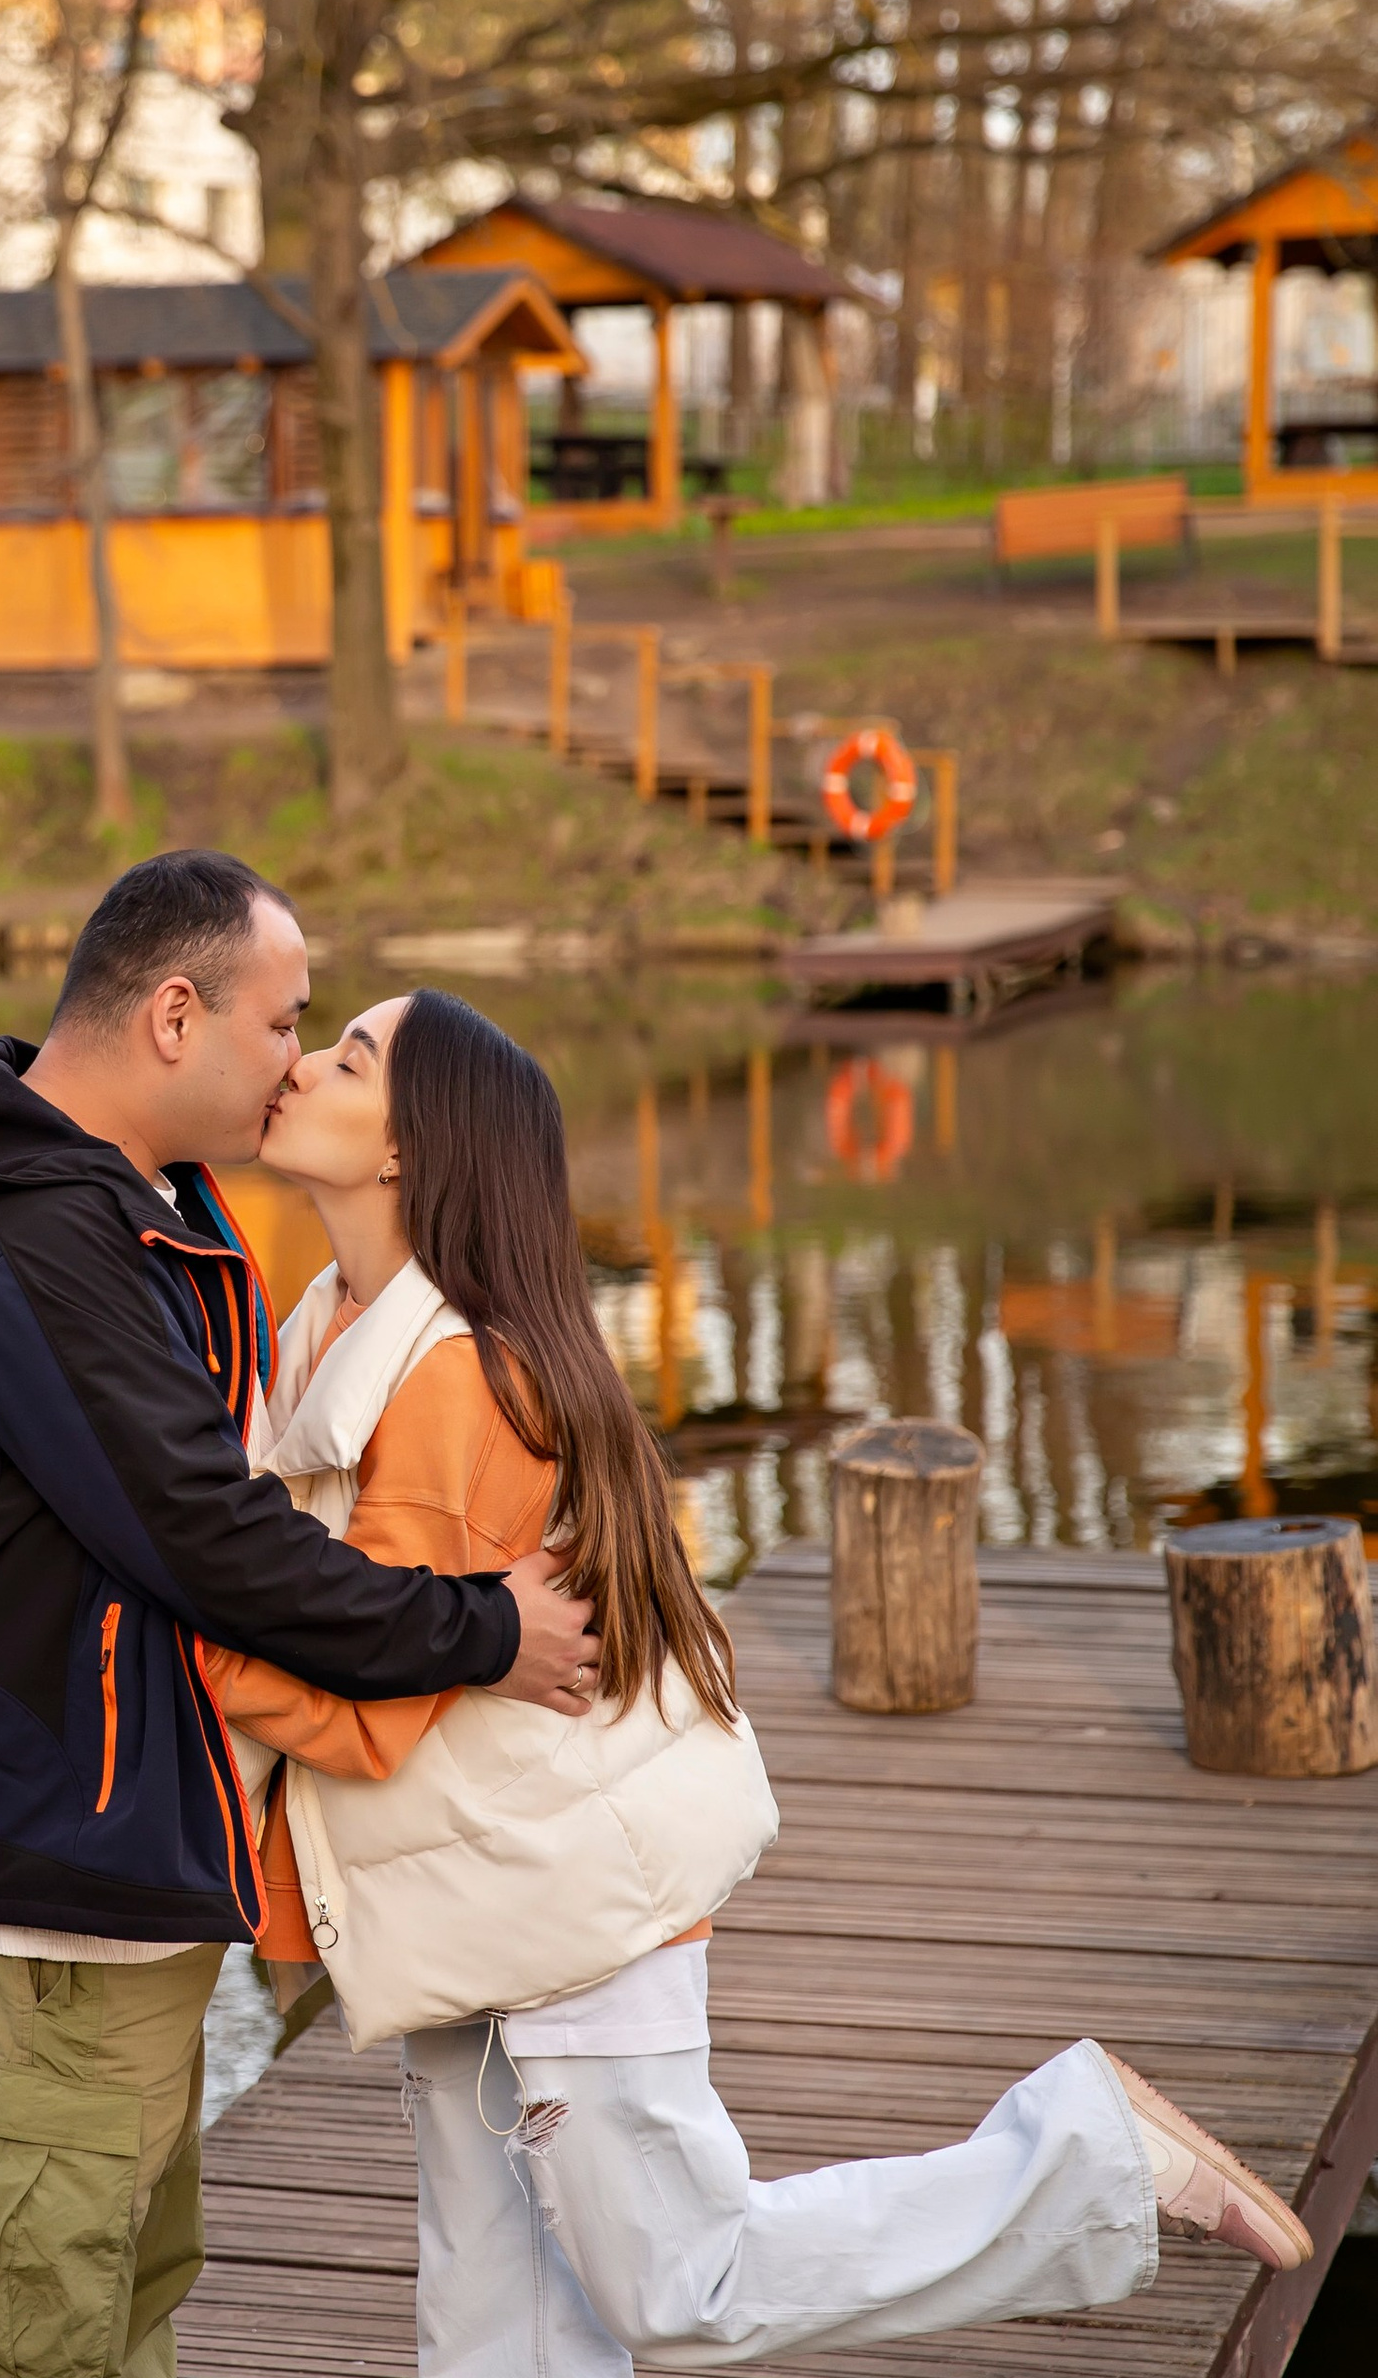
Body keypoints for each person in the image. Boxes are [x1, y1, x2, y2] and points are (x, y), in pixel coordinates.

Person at [207, 986, 1313, 2377]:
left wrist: (166, 1648)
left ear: (409, 1150)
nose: (302, 1065)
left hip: (566, 1901)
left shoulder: (449, 1383)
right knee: (498, 2313)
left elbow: (362, 1704)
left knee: (686, 2285)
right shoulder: (327, 1331)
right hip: (473, 1888)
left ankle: (1087, 2156)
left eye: (349, 1054)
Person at [0, 854, 603, 2378]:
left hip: (125, 1890)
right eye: (285, 1024)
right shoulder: (27, 1243)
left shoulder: (154, 1211)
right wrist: (482, 1629)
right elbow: (214, 1543)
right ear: (177, 1014)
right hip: (34, 1897)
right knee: (16, 2341)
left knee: (119, 2311)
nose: (293, 1064)